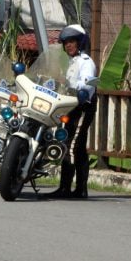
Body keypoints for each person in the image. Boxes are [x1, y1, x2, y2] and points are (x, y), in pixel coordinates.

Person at [50, 24, 98, 199]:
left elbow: (87, 85)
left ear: (80, 43)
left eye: (72, 41)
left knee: (70, 146)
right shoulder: (71, 63)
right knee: (77, 148)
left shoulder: (86, 63)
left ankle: (65, 188)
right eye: (66, 42)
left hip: (83, 107)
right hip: (71, 108)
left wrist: (67, 83)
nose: (68, 45)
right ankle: (80, 189)